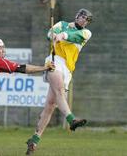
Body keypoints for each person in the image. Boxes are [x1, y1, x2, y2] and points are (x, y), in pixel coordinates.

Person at [26, 8, 93, 155]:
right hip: (54, 61)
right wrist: (53, 35)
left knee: (50, 106)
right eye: (82, 16)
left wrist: (62, 35)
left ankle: (34, 140)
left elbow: (74, 37)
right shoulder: (61, 23)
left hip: (68, 69)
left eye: (86, 19)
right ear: (77, 15)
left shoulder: (86, 33)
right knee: (59, 91)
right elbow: (49, 34)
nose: (83, 20)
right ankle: (72, 120)